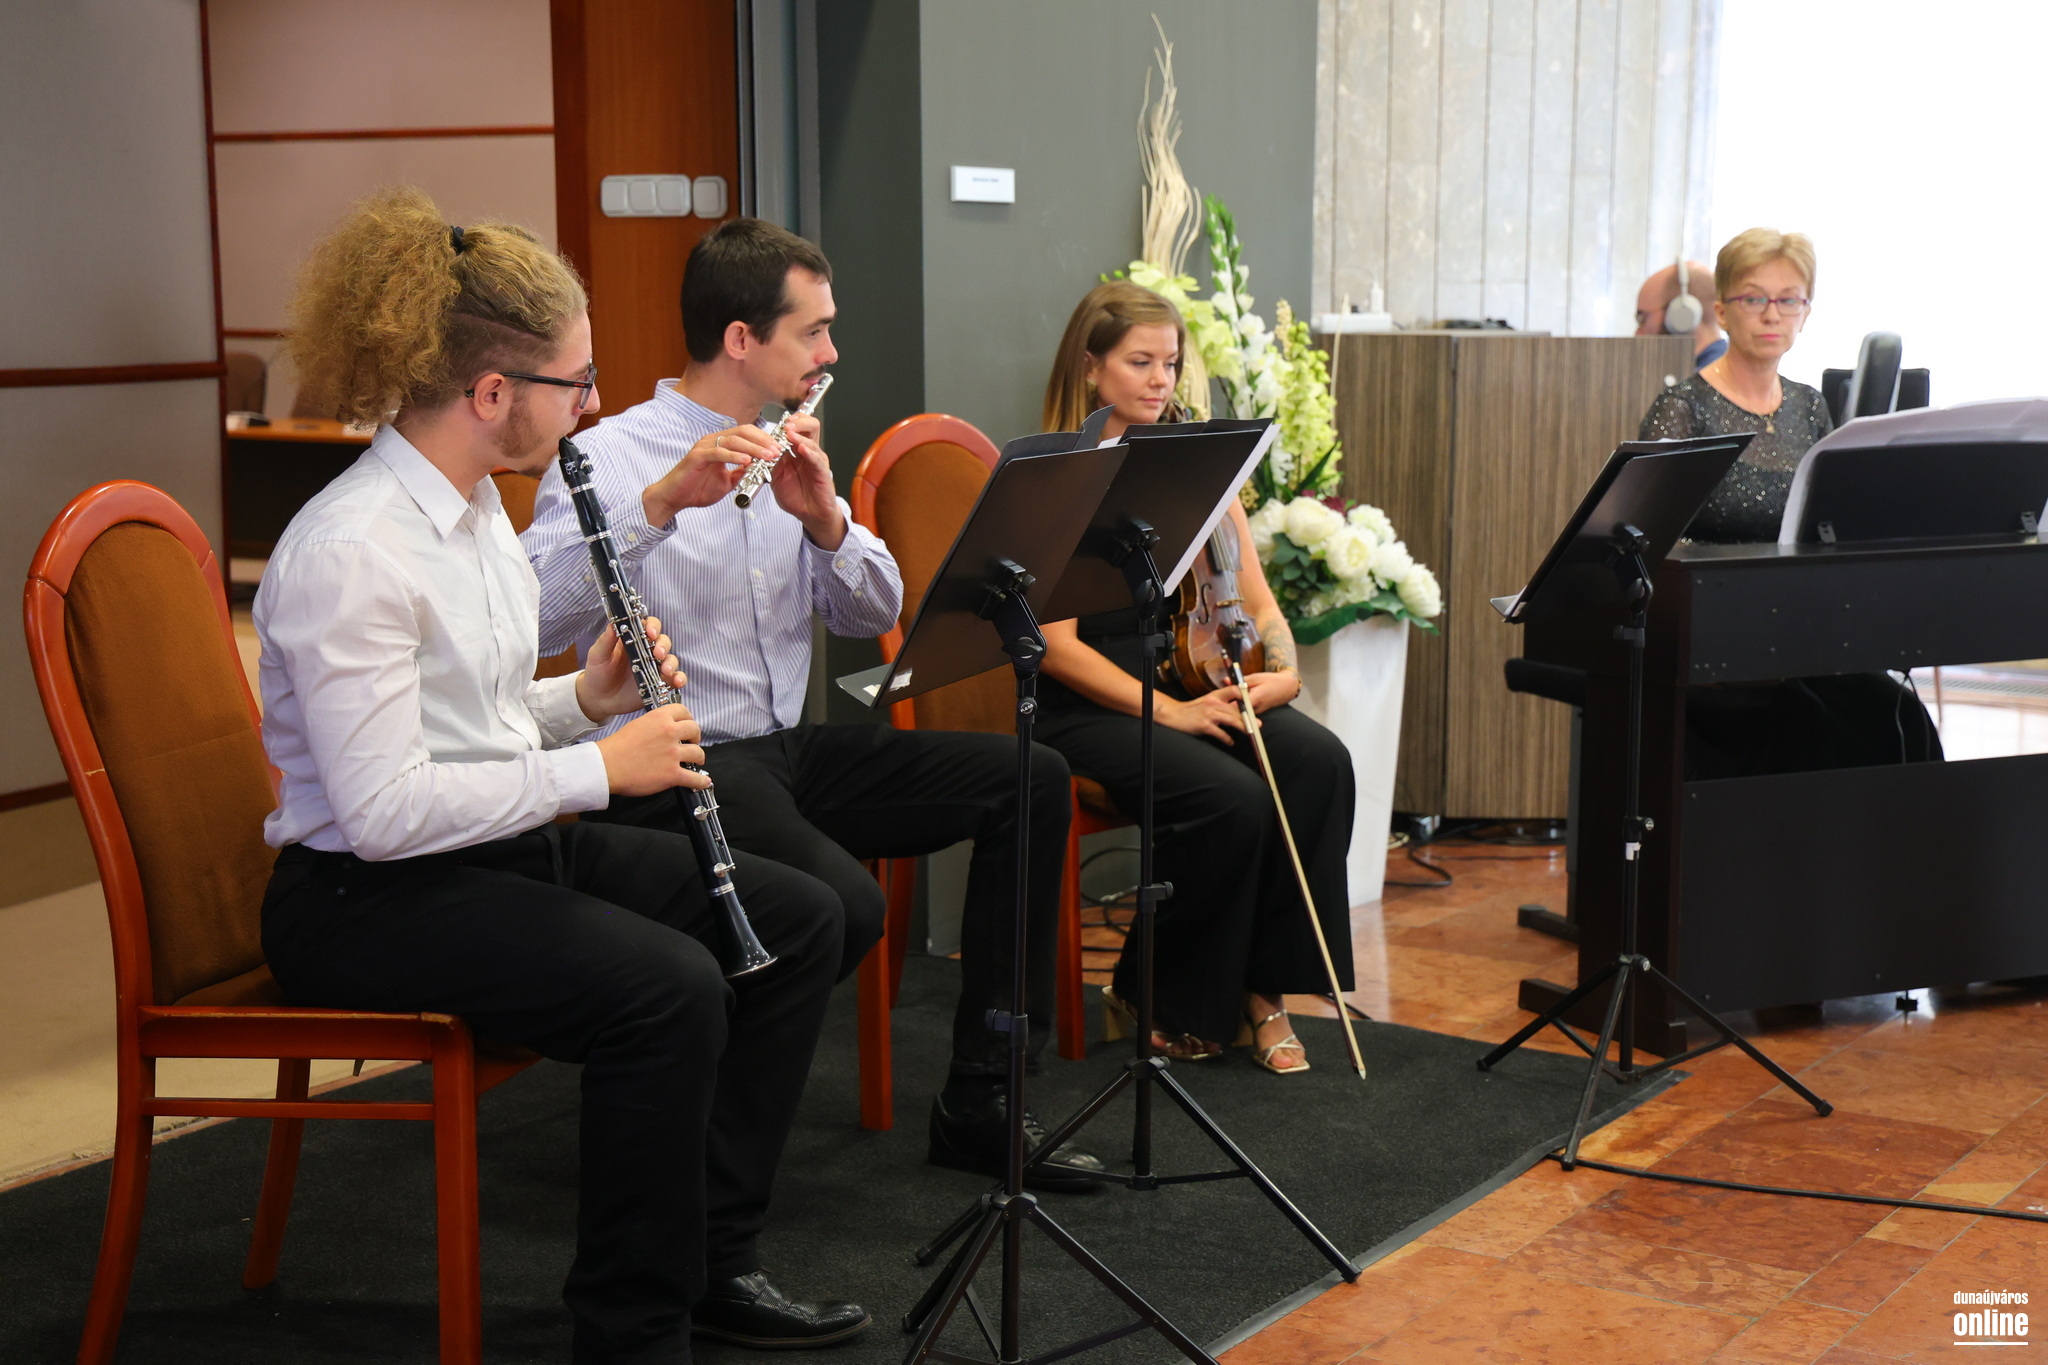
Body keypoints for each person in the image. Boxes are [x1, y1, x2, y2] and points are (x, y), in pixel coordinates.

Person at [255, 188, 867, 1361]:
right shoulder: (351, 551)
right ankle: (628, 1332)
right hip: (364, 897)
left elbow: (474, 725)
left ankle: (711, 1259)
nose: (590, 405)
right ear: (493, 393)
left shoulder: (476, 510)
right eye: (575, 382)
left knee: (797, 920)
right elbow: (382, 811)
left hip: (484, 845)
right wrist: (597, 766)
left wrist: (581, 701)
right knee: (667, 990)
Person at [521, 218, 1106, 1190]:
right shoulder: (608, 458)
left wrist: (826, 520)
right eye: (813, 331)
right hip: (676, 762)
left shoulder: (790, 447)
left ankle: (984, 1099)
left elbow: (875, 610)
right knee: (848, 907)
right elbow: (535, 615)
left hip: (787, 752)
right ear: (741, 339)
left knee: (1030, 778)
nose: (831, 352)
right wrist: (660, 507)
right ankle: (691, 1129)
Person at [1032, 281, 1356, 1075]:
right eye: (1139, 361)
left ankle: (1261, 989)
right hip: (1087, 700)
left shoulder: (1199, 465)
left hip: (1187, 679)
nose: (1159, 380)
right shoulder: (1060, 476)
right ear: (1090, 367)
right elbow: (1055, 646)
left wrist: (1282, 674)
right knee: (1230, 794)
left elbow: (1260, 603)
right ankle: (1158, 994)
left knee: (1319, 761)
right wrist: (1169, 715)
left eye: (1170, 363)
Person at [1636, 228, 1940, 776]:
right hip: (1712, 627)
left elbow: (1826, 523)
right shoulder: (1683, 407)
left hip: (1796, 621)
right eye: (1754, 298)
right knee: (1812, 718)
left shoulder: (1809, 406)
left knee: (1899, 716)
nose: (1772, 314)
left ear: (1806, 312)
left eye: (1789, 300)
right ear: (1723, 311)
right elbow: (1646, 541)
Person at [1634, 259, 1727, 369]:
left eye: (1642, 318)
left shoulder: (1705, 377)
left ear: (1680, 317)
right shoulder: (1723, 369)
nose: (1637, 334)